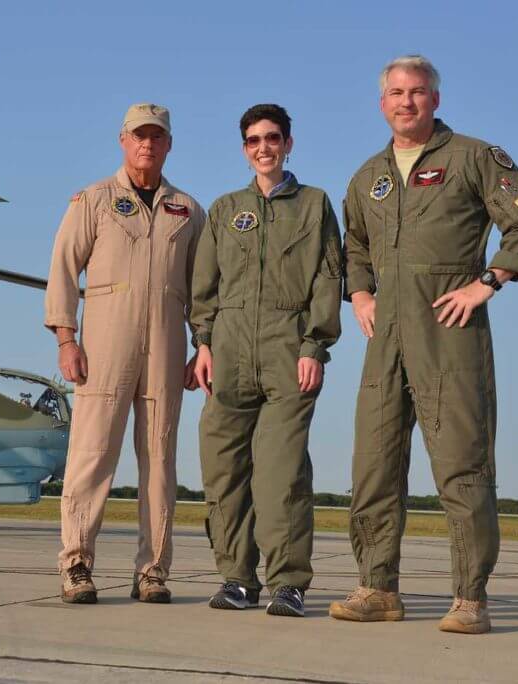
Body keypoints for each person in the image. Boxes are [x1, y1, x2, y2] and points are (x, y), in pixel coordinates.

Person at [330, 55, 518, 634]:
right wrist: (359, 295)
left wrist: (489, 281)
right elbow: (354, 243)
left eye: (419, 92)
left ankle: (469, 598)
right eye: (397, 93)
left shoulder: (474, 157)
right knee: (374, 466)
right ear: (381, 103)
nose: (407, 101)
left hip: (450, 334)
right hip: (387, 339)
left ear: (435, 99)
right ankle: (378, 588)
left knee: (462, 465)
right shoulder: (366, 176)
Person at [45, 103, 206, 604]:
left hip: (165, 343)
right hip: (104, 344)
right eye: (139, 136)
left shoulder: (188, 209)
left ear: (169, 145)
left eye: (157, 137)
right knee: (92, 453)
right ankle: (76, 563)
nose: (147, 145)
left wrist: (203, 345)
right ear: (123, 140)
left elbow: (203, 288)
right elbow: (64, 271)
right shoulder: (93, 200)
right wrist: (66, 338)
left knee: (159, 457)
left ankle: (153, 569)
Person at [190, 104, 342, 617]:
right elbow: (203, 289)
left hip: (287, 351)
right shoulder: (224, 207)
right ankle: (237, 578)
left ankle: (289, 582)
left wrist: (314, 346)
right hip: (228, 352)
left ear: (289, 144)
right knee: (223, 471)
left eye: (272, 138)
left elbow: (327, 278)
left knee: (281, 474)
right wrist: (203, 344)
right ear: (244, 149)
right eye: (253, 140)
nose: (263, 148)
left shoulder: (315, 205)